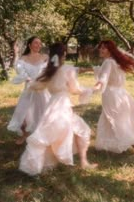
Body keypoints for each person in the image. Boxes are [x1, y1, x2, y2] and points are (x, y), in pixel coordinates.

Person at [19, 42, 98, 176]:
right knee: (81, 130)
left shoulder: (48, 70)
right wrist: (91, 89)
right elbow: (75, 89)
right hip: (62, 105)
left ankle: (81, 162)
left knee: (51, 132)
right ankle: (83, 163)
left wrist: (29, 83)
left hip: (52, 105)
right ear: (64, 54)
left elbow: (37, 86)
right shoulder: (68, 69)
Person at [92, 40, 134, 156]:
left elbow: (103, 78)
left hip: (111, 95)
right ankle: (110, 145)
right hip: (121, 93)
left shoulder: (108, 62)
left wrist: (95, 87)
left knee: (117, 121)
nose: (101, 50)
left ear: (110, 50)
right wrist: (90, 70)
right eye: (100, 47)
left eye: (104, 48)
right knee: (115, 119)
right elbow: (104, 71)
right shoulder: (115, 62)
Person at [7, 36, 50, 145]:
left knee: (43, 112)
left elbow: (50, 71)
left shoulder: (45, 57)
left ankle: (44, 135)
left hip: (41, 89)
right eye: (36, 43)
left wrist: (43, 80)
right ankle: (25, 135)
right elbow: (21, 71)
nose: (38, 45)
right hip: (29, 88)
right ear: (30, 45)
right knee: (25, 113)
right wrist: (28, 79)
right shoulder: (23, 59)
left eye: (40, 43)